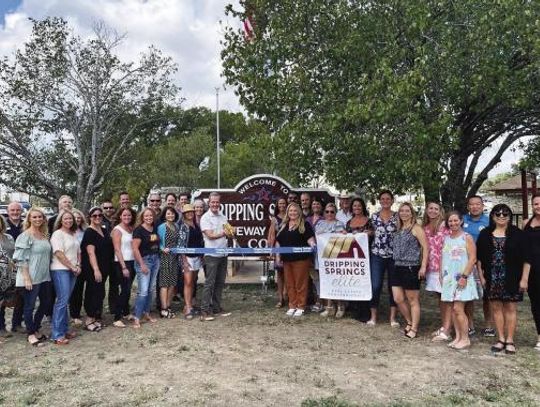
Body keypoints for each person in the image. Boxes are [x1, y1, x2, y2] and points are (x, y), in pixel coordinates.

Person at [477, 204, 530, 355]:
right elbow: (479, 259)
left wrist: (524, 279)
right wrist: (481, 277)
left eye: (505, 214)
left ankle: (510, 340)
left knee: (510, 309)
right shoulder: (485, 234)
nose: (501, 216)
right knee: (496, 308)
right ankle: (500, 339)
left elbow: (527, 258)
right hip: (492, 278)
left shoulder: (518, 234)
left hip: (512, 277)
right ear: (492, 216)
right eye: (498, 214)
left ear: (509, 216)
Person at [13, 208, 52, 346]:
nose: (37, 219)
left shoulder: (44, 234)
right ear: (29, 219)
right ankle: (30, 334)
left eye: (40, 217)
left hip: (44, 277)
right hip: (30, 277)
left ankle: (35, 328)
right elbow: (20, 259)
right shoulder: (25, 236)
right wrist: (27, 278)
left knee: (46, 303)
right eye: (34, 217)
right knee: (29, 306)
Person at [440, 211, 479, 350]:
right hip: (449, 278)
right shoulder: (446, 238)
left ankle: (465, 338)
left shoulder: (466, 237)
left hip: (462, 277)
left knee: (458, 308)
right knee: (452, 310)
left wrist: (464, 277)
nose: (453, 223)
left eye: (456, 220)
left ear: (461, 221)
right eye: (450, 221)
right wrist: (441, 275)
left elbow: (473, 258)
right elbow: (443, 257)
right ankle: (458, 337)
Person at [391, 202, 428, 339]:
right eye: (402, 211)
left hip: (411, 267)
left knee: (413, 299)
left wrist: (423, 266)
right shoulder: (398, 228)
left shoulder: (416, 228)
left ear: (411, 213)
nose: (404, 213)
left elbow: (425, 247)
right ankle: (409, 321)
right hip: (397, 266)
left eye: (407, 211)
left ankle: (414, 328)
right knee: (398, 298)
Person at [275, 202, 316, 318]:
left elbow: (310, 240)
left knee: (300, 283)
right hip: (287, 260)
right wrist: (278, 256)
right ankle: (292, 305)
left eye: (295, 211)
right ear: (288, 213)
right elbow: (278, 242)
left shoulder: (305, 225)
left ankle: (301, 306)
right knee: (289, 284)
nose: (293, 213)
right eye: (290, 211)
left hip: (301, 260)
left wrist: (313, 245)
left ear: (299, 212)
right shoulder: (284, 225)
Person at [200, 192, 233, 321]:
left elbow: (228, 233)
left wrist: (230, 233)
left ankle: (216, 308)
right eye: (212, 202)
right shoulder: (205, 217)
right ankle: (204, 311)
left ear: (220, 203)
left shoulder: (223, 216)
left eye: (217, 202)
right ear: (209, 203)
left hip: (223, 253)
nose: (215, 204)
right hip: (211, 254)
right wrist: (224, 233)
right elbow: (210, 235)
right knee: (209, 283)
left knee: (220, 283)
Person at [79, 207, 114, 332]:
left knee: (99, 293)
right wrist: (96, 269)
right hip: (93, 268)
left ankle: (94, 318)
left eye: (100, 215)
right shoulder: (89, 232)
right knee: (92, 292)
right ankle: (88, 320)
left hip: (104, 266)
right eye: (94, 216)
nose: (98, 217)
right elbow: (91, 253)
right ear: (90, 217)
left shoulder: (104, 231)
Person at [50, 210, 81, 345]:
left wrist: (78, 265)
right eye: (65, 219)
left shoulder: (73, 233)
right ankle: (57, 334)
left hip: (72, 270)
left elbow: (78, 252)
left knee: (65, 300)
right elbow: (58, 253)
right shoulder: (57, 234)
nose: (68, 221)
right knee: (62, 301)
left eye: (70, 219)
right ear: (60, 221)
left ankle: (65, 329)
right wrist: (71, 267)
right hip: (60, 270)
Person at [463, 195, 492, 337]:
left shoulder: (489, 221)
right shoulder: (462, 220)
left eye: (477, 204)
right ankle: (470, 325)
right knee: (468, 295)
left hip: (485, 263)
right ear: (468, 206)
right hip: (467, 263)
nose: (474, 207)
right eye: (471, 204)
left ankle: (489, 325)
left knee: (488, 295)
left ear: (482, 206)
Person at [422, 202, 451, 342]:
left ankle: (447, 329)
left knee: (447, 298)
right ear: (427, 210)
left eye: (436, 209)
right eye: (430, 208)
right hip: (432, 267)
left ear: (440, 211)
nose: (433, 211)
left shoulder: (445, 225)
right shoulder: (425, 227)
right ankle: (444, 325)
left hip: (445, 267)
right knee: (440, 298)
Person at [369, 190, 399, 327]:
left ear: (392, 201)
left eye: (388, 199)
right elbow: (370, 232)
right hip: (377, 255)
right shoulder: (374, 217)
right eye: (383, 198)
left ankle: (392, 318)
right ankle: (373, 317)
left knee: (393, 286)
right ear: (379, 201)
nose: (385, 201)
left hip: (394, 256)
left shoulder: (398, 217)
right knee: (375, 286)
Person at [345, 197, 374, 322]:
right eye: (354, 206)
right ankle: (355, 309)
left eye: (359, 206)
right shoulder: (348, 222)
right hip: (352, 258)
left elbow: (374, 235)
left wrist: (371, 233)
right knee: (354, 282)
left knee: (365, 283)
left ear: (363, 207)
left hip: (366, 257)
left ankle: (366, 311)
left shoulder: (369, 221)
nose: (356, 208)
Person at [316, 202, 346, 317]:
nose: (329, 214)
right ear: (324, 212)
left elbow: (341, 238)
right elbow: (317, 235)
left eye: (332, 212)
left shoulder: (339, 223)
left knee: (337, 282)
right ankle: (329, 307)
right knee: (325, 282)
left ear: (335, 213)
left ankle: (340, 306)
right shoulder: (320, 223)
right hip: (322, 257)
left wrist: (342, 234)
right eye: (327, 211)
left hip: (335, 258)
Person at [132, 208, 160, 328]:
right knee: (143, 291)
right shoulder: (138, 230)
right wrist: (142, 264)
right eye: (146, 216)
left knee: (151, 289)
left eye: (151, 215)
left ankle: (146, 313)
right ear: (142, 217)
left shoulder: (154, 228)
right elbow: (135, 249)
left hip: (155, 259)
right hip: (144, 261)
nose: (149, 217)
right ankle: (137, 318)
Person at [111, 207, 137, 328]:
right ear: (120, 216)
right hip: (122, 263)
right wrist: (123, 267)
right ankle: (117, 317)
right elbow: (117, 249)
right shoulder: (117, 230)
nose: (127, 217)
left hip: (132, 261)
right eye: (124, 215)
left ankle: (126, 312)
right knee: (125, 290)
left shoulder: (131, 228)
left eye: (129, 215)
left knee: (128, 288)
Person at [0, 201, 24, 335]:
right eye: (12, 210)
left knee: (19, 297)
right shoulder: (6, 224)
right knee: (1, 300)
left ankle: (17, 323)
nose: (15, 212)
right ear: (8, 212)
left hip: (16, 269)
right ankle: (1, 327)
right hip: (1, 273)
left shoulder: (24, 226)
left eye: (17, 210)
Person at [179, 204, 202, 319]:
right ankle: (187, 307)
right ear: (184, 214)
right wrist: (184, 261)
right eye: (187, 212)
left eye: (191, 212)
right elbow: (181, 245)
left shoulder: (196, 225)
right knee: (187, 282)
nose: (190, 213)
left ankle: (190, 304)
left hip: (196, 257)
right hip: (187, 257)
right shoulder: (183, 227)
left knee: (193, 281)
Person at [157, 207, 180, 319]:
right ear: (165, 215)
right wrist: (162, 248)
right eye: (168, 214)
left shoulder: (176, 226)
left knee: (172, 283)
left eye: (172, 214)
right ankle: (163, 308)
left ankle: (169, 305)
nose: (171, 215)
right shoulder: (162, 227)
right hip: (165, 257)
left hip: (175, 257)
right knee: (164, 283)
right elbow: (157, 241)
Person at [523, 194, 540, 351]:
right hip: (532, 269)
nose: (538, 206)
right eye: (535, 203)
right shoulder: (526, 223)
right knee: (536, 304)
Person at [267, 197, 288, 307]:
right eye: (280, 203)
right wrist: (271, 250)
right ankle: (280, 299)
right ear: (277, 205)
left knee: (288, 273)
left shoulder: (290, 217)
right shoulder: (274, 219)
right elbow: (271, 235)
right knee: (280, 274)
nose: (282, 205)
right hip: (279, 249)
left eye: (284, 203)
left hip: (289, 247)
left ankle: (287, 296)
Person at [0, 215, 15, 339]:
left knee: (6, 301)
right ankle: (1, 327)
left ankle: (9, 325)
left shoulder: (9, 238)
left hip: (9, 274)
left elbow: (14, 253)